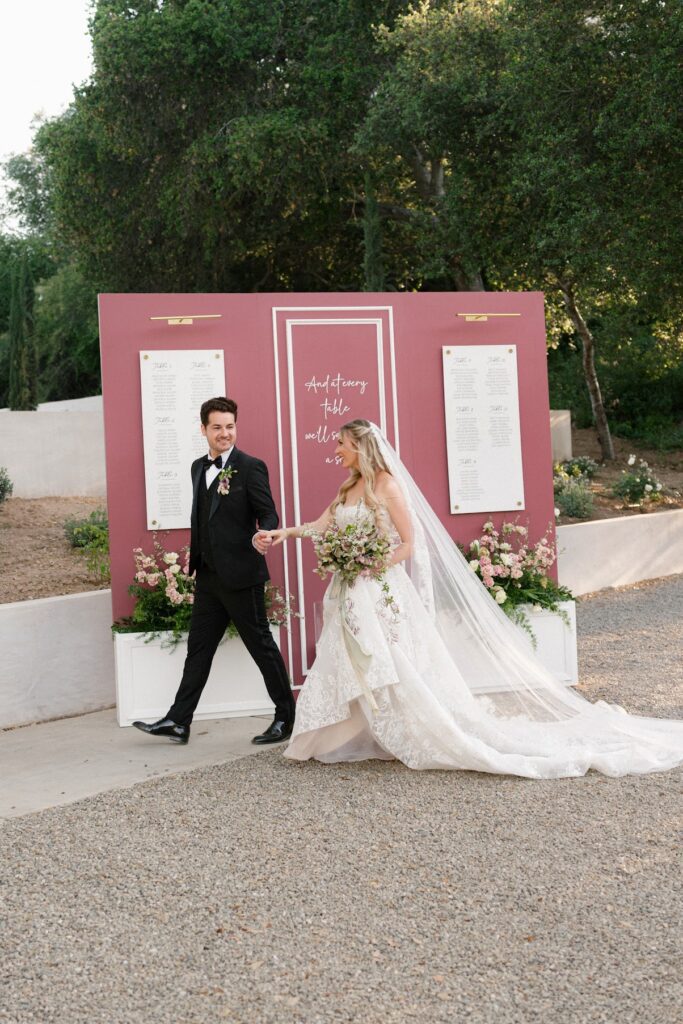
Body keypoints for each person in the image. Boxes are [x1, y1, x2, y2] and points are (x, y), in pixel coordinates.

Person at [262, 419, 683, 777]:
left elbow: (410, 543)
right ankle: (331, 736)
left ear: (359, 447)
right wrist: (283, 534)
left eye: (341, 444)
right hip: (351, 591)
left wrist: (372, 564)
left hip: (380, 591)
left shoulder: (387, 486)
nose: (335, 449)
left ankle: (409, 729)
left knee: (393, 661)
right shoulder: (348, 486)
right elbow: (321, 525)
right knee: (347, 657)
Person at [134, 397, 295, 746]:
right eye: (218, 427)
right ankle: (178, 721)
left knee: (262, 647)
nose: (225, 433)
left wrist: (264, 533)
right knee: (199, 650)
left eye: (230, 426)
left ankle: (285, 717)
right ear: (203, 428)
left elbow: (268, 513)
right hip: (207, 576)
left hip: (241, 576)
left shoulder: (251, 467)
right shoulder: (197, 468)